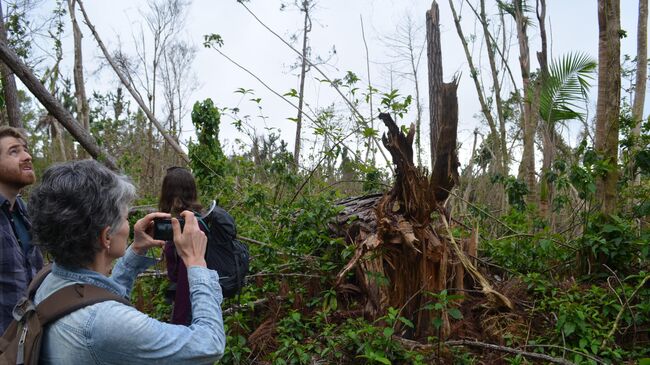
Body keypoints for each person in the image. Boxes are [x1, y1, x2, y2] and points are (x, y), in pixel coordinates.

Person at [29, 159, 225, 364]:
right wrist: (196, 263)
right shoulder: (106, 324)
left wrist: (137, 249)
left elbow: (97, 296)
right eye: (124, 218)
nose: (129, 225)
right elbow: (209, 344)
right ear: (106, 237)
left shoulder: (47, 280)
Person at [0, 126, 43, 334]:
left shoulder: (23, 212)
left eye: (25, 149)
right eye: (14, 151)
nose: (27, 156)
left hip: (26, 340)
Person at [159, 166, 203, 325]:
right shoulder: (191, 220)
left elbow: (187, 280)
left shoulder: (189, 227)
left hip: (189, 306)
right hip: (192, 300)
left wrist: (178, 323)